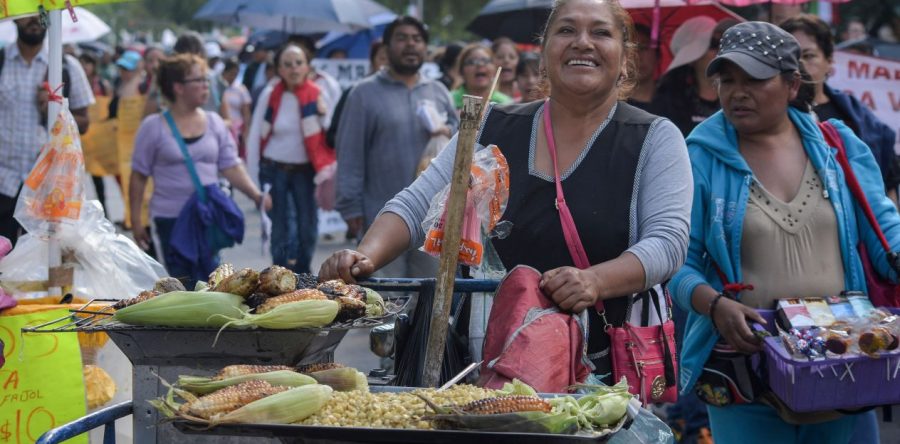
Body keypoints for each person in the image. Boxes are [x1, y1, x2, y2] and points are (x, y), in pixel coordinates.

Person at [321, 0, 691, 383]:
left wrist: (595, 280)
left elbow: (668, 242)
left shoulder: (654, 138)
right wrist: (364, 257)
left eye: (600, 32)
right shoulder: (490, 125)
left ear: (626, 59)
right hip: (484, 365)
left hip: (599, 373)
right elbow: (416, 205)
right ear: (543, 55)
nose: (582, 42)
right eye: (566, 31)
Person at [671, 21, 900, 444]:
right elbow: (678, 262)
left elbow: (886, 232)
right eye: (727, 80)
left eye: (754, 80)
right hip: (747, 375)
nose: (737, 92)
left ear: (793, 84)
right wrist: (716, 304)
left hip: (843, 368)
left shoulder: (839, 147)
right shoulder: (698, 157)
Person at [334, 16, 459, 280]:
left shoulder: (438, 91)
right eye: (402, 38)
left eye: (417, 39)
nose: (410, 45)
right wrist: (351, 208)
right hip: (380, 218)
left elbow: (459, 143)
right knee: (385, 298)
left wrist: (446, 130)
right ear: (387, 47)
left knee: (427, 299)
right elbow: (350, 154)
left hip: (433, 220)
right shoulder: (363, 93)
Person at [130, 54, 270, 282]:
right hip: (171, 220)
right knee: (182, 284)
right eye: (199, 80)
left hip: (206, 215)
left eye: (206, 79)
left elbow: (231, 165)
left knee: (213, 282)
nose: (206, 85)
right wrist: (136, 222)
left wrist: (256, 195)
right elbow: (138, 177)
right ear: (178, 88)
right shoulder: (153, 127)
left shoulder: (215, 122)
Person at [780, 14, 899, 201]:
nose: (799, 64)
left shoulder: (859, 119)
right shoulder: (772, 118)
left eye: (808, 55)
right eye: (791, 56)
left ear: (829, 61)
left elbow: (888, 185)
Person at [0, 15, 94, 246]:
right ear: (14, 19)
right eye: (26, 14)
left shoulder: (65, 66)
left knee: (42, 267)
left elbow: (84, 121)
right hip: (3, 181)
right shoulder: (1, 61)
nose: (33, 20)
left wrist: (55, 109)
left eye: (40, 13)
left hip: (49, 186)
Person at [244, 44, 330, 274]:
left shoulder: (318, 92)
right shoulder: (269, 94)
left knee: (307, 228)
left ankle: (303, 275)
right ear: (278, 69)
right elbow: (254, 138)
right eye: (288, 64)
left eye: (299, 63)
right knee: (281, 229)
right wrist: (254, 184)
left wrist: (323, 112)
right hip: (274, 171)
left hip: (306, 172)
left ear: (307, 66)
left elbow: (330, 131)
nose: (294, 68)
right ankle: (280, 276)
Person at [650, 16, 724, 137]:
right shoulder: (667, 103)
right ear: (692, 59)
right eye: (713, 44)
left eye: (723, 42)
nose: (720, 50)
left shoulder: (737, 96)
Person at [450, 43, 513, 110]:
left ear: (494, 69)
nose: (480, 64)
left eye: (485, 61)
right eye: (472, 62)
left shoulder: (506, 104)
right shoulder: (449, 100)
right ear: (461, 71)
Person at [221, 58, 253, 160]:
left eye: (236, 74)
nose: (233, 77)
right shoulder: (218, 87)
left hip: (237, 129)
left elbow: (246, 112)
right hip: (222, 126)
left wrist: (246, 130)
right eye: (231, 73)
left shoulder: (241, 89)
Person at [627, 24, 658, 110]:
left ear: (657, 55)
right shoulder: (609, 106)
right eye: (631, 50)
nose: (638, 57)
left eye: (644, 48)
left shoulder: (675, 102)